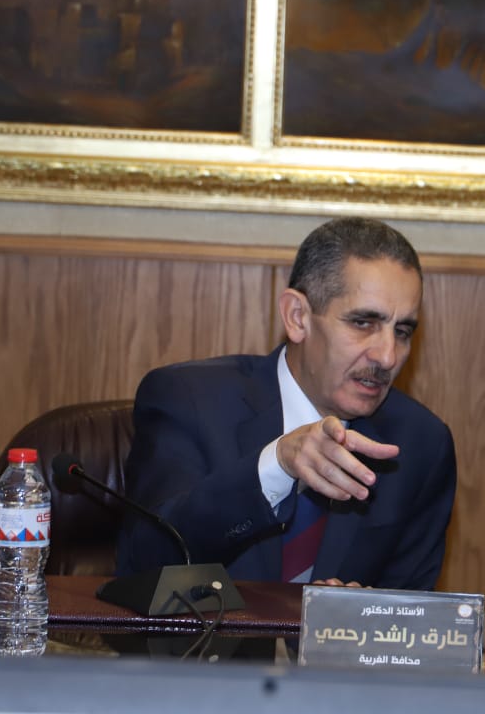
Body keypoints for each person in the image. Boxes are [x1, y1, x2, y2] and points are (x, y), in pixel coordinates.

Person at [116, 217, 456, 590]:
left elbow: (411, 613)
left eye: (402, 331)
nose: (387, 357)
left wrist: (364, 616)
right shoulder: (189, 400)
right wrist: (277, 465)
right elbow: (147, 563)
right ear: (297, 317)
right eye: (363, 323)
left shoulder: (419, 444)